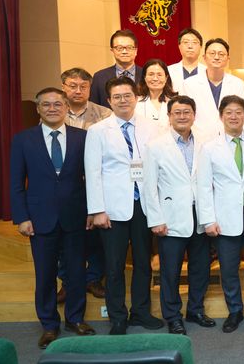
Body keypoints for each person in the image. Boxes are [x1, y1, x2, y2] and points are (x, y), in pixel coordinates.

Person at [10, 88, 96, 349]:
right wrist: (22, 217)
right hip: (39, 218)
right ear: (38, 109)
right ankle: (49, 324)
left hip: (76, 216)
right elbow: (16, 183)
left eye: (57, 104)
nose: (52, 108)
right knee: (45, 274)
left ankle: (75, 319)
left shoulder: (83, 138)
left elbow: (93, 178)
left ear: (66, 107)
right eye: (46, 104)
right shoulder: (23, 139)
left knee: (76, 273)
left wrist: (92, 211)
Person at [85, 76, 162, 335]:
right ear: (109, 101)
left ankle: (141, 312)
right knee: (114, 265)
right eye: (116, 97)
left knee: (143, 262)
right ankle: (118, 316)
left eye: (127, 95)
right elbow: (92, 172)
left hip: (143, 205)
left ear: (136, 97)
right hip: (112, 208)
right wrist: (97, 210)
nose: (123, 100)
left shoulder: (152, 127)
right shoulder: (98, 131)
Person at [142, 95, 215, 335]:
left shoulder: (206, 142)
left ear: (194, 115)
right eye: (177, 112)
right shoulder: (155, 146)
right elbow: (149, 186)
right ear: (169, 116)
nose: (182, 116)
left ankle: (195, 310)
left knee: (200, 268)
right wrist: (155, 219)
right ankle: (173, 316)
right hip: (170, 217)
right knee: (170, 272)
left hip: (200, 215)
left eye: (187, 112)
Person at [196, 95, 244, 333]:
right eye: (229, 112)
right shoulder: (210, 148)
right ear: (221, 116)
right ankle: (235, 310)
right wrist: (208, 219)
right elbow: (203, 186)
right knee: (228, 269)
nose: (234, 116)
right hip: (224, 217)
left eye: (239, 112)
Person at [59, 68, 110, 303]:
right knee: (66, 234)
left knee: (97, 236)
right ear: (64, 87)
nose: (78, 90)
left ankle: (93, 278)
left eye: (83, 86)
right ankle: (68, 281)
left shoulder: (104, 114)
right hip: (66, 184)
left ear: (90, 88)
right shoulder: (55, 111)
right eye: (73, 85)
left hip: (97, 182)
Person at [182, 38, 244, 141]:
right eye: (212, 53)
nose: (216, 57)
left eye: (221, 54)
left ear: (228, 59)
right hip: (199, 140)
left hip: (229, 139)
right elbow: (185, 115)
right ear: (204, 57)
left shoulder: (238, 84)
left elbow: (243, 115)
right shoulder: (189, 84)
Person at [90, 29, 143, 107]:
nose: (124, 52)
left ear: (136, 51)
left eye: (129, 47)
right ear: (112, 51)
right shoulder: (99, 77)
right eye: (119, 48)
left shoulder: (146, 75)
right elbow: (93, 107)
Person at [136, 58, 178, 131]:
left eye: (159, 75)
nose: (155, 78)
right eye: (151, 74)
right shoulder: (135, 102)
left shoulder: (176, 102)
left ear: (166, 78)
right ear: (144, 77)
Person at [168, 28, 207, 93]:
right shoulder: (168, 71)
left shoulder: (207, 72)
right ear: (179, 46)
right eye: (186, 42)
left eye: (194, 42)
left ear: (201, 47)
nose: (190, 46)